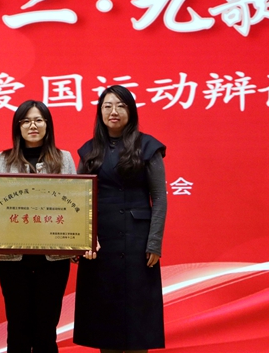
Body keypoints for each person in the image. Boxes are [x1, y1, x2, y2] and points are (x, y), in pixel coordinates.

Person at [73, 85, 167, 353]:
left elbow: (159, 198)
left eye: (120, 106)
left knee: (138, 321)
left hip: (138, 244)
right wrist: (81, 241)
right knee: (105, 322)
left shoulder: (148, 146)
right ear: (100, 112)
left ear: (131, 111)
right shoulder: (89, 150)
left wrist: (154, 243)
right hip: (100, 245)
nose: (113, 111)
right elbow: (79, 200)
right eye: (107, 106)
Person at [0, 100, 76, 352]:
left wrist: (79, 242)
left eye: (39, 120)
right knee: (17, 327)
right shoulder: (3, 159)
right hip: (13, 258)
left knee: (46, 330)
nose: (33, 126)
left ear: (47, 125)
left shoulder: (64, 159)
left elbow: (75, 204)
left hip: (54, 257)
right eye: (26, 121)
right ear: (18, 126)